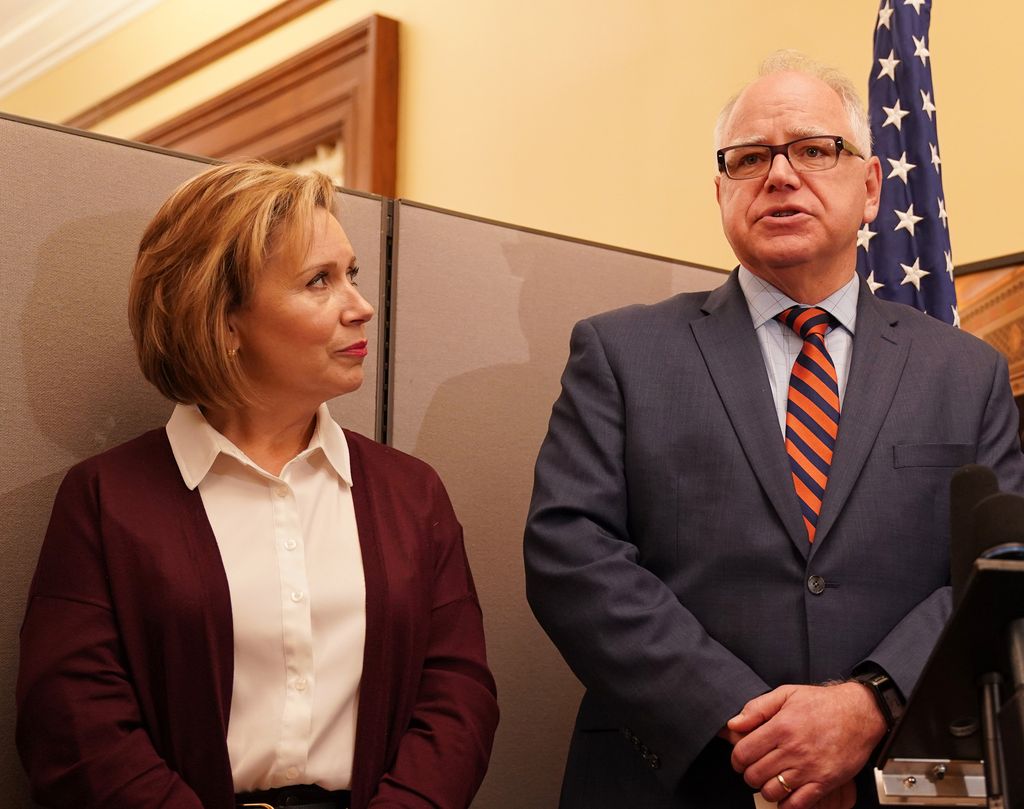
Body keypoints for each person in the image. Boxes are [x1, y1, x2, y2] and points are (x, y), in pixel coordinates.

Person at [524, 51, 1024, 809]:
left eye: (815, 150)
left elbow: (998, 568)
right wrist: (753, 725)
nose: (780, 175)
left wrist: (868, 702)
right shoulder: (620, 353)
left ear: (870, 188)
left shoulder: (967, 372)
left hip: (897, 776)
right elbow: (571, 556)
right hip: (678, 779)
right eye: (749, 158)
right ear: (719, 190)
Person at [17, 161, 499, 809]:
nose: (361, 306)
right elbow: (72, 718)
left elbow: (458, 696)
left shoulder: (412, 495)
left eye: (351, 274)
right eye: (319, 281)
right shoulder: (107, 500)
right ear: (225, 317)